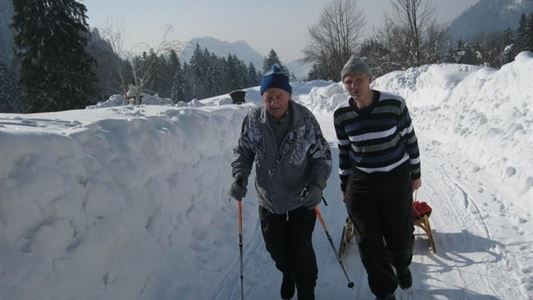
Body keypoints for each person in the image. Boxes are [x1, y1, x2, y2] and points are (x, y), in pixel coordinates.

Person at [230, 64, 332, 300]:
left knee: (301, 249)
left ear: (289, 95)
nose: (274, 102)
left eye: (279, 96)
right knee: (277, 250)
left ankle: (306, 290)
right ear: (262, 97)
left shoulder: (305, 120)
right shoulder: (254, 120)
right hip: (269, 201)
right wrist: (239, 175)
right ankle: (288, 273)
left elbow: (322, 156)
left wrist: (317, 185)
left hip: (301, 199)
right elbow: (243, 151)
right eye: (269, 98)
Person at [333, 56, 422, 300]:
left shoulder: (394, 105)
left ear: (369, 80)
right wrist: (344, 186)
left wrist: (415, 174)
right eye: (348, 81)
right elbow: (344, 152)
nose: (354, 86)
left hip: (395, 177)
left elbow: (409, 139)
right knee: (368, 242)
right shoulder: (341, 114)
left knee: (400, 235)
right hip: (362, 183)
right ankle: (384, 291)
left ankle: (402, 264)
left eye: (358, 80)